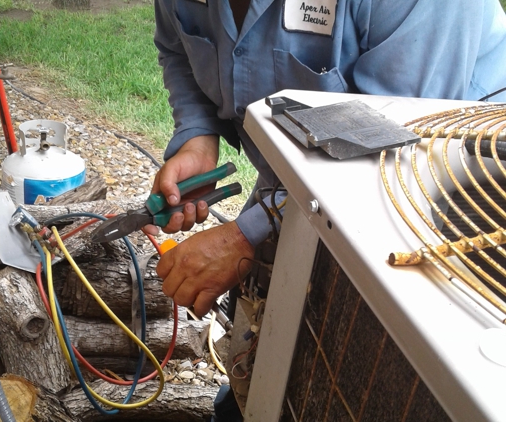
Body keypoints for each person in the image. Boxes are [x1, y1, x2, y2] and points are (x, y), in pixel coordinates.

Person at [147, 0, 506, 319]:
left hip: (461, 185)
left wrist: (246, 235)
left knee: (397, 345)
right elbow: (177, 48)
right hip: (315, 165)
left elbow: (392, 146)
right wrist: (198, 139)